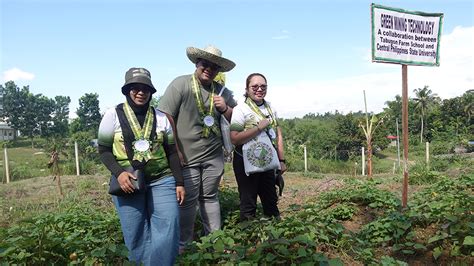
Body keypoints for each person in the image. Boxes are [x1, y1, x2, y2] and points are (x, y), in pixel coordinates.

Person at [98, 67, 185, 265]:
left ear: (151, 91)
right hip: (128, 181)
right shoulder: (112, 115)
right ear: (127, 90)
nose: (140, 92)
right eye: (135, 88)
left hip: (162, 179)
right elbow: (103, 150)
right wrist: (119, 174)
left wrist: (179, 182)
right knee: (135, 232)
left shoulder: (161, 117)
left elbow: (172, 152)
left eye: (145, 88)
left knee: (169, 225)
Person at [158, 45, 236, 249]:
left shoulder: (222, 92)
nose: (209, 69)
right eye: (205, 64)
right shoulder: (180, 84)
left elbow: (238, 121)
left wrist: (225, 108)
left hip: (213, 157)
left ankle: (215, 242)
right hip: (187, 156)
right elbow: (165, 118)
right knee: (188, 200)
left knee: (210, 197)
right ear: (196, 63)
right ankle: (185, 245)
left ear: (218, 71)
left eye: (214, 66)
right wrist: (175, 151)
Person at [229, 73, 287, 221]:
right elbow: (234, 138)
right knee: (248, 204)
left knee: (271, 203)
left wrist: (281, 160)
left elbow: (278, 134)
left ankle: (275, 240)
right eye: (254, 86)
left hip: (267, 162)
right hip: (245, 162)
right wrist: (258, 129)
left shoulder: (270, 108)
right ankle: (248, 239)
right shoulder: (240, 109)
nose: (259, 89)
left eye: (263, 86)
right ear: (247, 89)